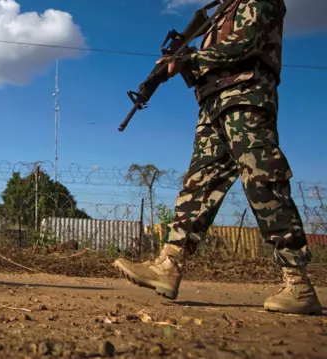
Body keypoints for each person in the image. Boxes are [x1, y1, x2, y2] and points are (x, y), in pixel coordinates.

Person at [113, 0, 322, 315]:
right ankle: (168, 265)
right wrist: (183, 64)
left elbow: (245, 43)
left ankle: (298, 284)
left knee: (263, 180)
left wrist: (188, 60)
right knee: (199, 185)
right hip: (213, 104)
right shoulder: (221, 10)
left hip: (246, 97)